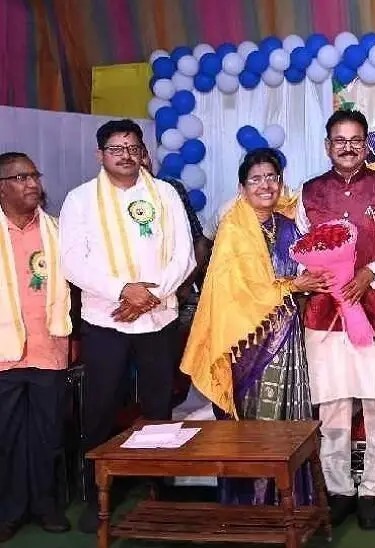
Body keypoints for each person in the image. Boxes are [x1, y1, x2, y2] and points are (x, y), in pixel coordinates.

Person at [59, 119, 195, 533]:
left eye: (133, 147)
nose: (125, 155)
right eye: (116, 148)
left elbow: (184, 255)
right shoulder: (80, 199)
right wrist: (123, 291)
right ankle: (98, 493)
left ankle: (158, 488)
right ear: (100, 154)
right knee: (100, 409)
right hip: (106, 319)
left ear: (142, 153)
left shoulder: (165, 193)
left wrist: (150, 297)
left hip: (158, 317)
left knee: (158, 407)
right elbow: (72, 262)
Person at [296, 109, 375, 530]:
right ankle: (338, 489)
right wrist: (313, 276)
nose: (347, 147)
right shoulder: (310, 192)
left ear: (366, 144)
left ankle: (372, 490)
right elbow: (301, 250)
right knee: (332, 405)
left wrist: (371, 273)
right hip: (325, 314)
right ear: (327, 145)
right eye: (339, 140)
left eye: (355, 140)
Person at [181, 148, 329, 504]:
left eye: (272, 177)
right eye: (256, 179)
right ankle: (249, 507)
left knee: (288, 422)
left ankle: (288, 505)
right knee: (251, 425)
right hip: (246, 342)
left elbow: (302, 271)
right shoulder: (233, 228)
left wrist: (308, 280)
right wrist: (294, 285)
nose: (266, 185)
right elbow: (237, 290)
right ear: (242, 187)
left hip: (287, 335)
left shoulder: (289, 225)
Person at [0, 153, 72, 541]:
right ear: (1, 188)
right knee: (6, 436)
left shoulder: (57, 230)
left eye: (34, 176)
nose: (32, 184)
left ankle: (46, 506)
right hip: (4, 353)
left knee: (48, 435)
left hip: (49, 347)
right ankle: (9, 512)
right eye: (20, 177)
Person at [141, 147, 210, 295]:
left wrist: (186, 285)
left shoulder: (171, 188)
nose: (141, 163)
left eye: (143, 156)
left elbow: (197, 239)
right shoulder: (115, 197)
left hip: (178, 273)